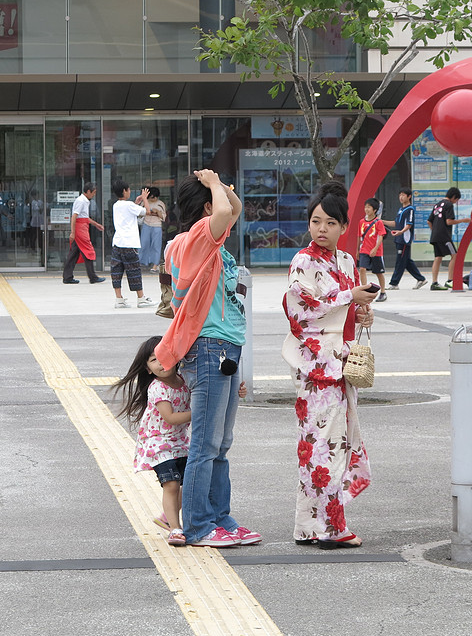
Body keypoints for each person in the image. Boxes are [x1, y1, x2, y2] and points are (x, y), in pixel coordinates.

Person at [154, 169, 260, 548]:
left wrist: (222, 189)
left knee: (220, 443)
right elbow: (221, 215)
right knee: (205, 444)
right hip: (209, 348)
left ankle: (220, 518)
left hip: (225, 348)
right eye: (217, 196)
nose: (226, 200)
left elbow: (233, 210)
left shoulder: (207, 242)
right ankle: (198, 525)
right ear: (203, 207)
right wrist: (214, 183)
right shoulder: (195, 238)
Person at [282, 181, 377, 548]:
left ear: (343, 227)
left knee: (319, 442)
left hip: (339, 360)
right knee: (325, 444)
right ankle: (331, 527)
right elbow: (299, 308)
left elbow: (346, 308)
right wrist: (347, 296)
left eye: (330, 223)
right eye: (316, 221)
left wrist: (362, 311)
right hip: (316, 365)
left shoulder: (347, 261)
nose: (322, 229)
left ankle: (307, 525)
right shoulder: (303, 261)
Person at [113, 335, 192, 547]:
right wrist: (199, 413)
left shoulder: (184, 380)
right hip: (158, 444)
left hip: (180, 442)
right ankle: (175, 529)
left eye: (163, 356)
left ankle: (167, 517)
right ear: (148, 369)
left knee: (192, 482)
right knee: (172, 484)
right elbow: (171, 418)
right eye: (153, 360)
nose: (160, 362)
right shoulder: (157, 388)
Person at [110, 179, 153, 308]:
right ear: (124, 191)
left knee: (116, 271)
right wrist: (145, 198)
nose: (129, 192)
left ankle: (119, 299)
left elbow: (130, 212)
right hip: (129, 243)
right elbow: (147, 212)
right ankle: (141, 298)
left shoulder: (116, 205)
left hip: (117, 242)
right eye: (128, 190)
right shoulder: (128, 205)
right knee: (133, 270)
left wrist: (137, 202)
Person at [62, 183, 106, 284]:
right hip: (80, 229)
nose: (94, 195)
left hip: (82, 227)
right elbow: (74, 217)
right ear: (88, 192)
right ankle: (92, 277)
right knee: (88, 250)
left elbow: (84, 217)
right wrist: (73, 232)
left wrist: (96, 224)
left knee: (74, 253)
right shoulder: (81, 201)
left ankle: (67, 277)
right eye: (93, 193)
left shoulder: (85, 201)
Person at [386, 187, 428, 291]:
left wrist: (401, 232)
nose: (401, 197)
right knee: (406, 261)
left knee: (400, 261)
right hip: (399, 238)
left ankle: (394, 283)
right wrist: (381, 221)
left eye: (403, 195)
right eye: (400, 195)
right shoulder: (400, 210)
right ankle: (421, 279)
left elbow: (409, 224)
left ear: (409, 197)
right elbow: (396, 223)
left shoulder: (410, 209)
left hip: (404, 239)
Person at [428, 186, 469, 290]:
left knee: (438, 257)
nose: (455, 202)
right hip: (444, 236)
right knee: (455, 255)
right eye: (456, 200)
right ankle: (450, 280)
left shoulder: (437, 204)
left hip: (435, 236)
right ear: (454, 197)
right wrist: (463, 220)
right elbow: (449, 221)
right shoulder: (449, 204)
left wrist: (435, 231)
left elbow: (429, 221)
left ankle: (434, 283)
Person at [357, 197, 387, 303]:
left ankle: (383, 292)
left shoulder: (378, 222)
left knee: (378, 272)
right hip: (364, 250)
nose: (366, 209)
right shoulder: (361, 222)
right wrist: (357, 250)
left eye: (369, 207)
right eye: (365, 207)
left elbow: (380, 236)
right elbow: (359, 237)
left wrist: (375, 248)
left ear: (374, 210)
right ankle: (365, 289)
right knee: (362, 269)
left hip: (376, 251)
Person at [139, 186, 168, 269]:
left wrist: (157, 212)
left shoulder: (160, 203)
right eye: (151, 197)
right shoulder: (145, 202)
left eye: (154, 197)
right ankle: (142, 262)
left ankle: (155, 264)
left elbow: (164, 217)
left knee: (156, 245)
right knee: (144, 244)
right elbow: (140, 213)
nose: (153, 199)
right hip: (146, 224)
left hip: (157, 226)